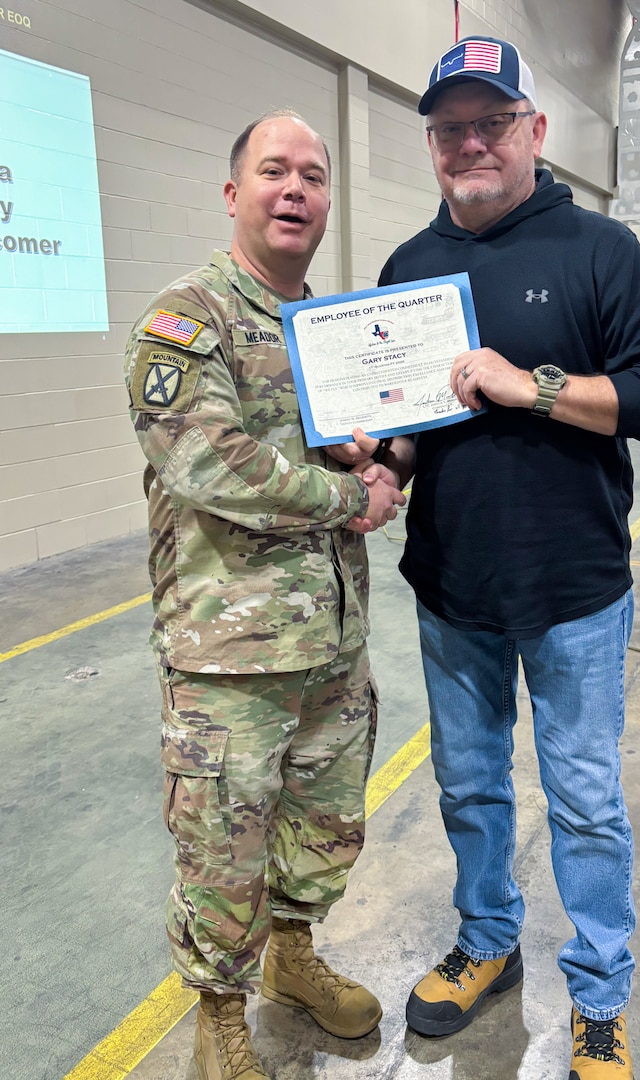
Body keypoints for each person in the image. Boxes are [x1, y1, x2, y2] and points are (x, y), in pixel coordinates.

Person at [338, 36, 640, 1079]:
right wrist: (386, 469)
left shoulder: (598, 249)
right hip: (453, 585)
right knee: (469, 787)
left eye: (492, 123)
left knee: (584, 802)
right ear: (431, 143)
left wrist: (532, 386)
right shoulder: (408, 268)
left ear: (535, 132)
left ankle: (599, 993)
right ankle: (490, 942)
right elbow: (415, 425)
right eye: (449, 128)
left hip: (573, 590)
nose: (470, 144)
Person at [124, 110, 405, 1080]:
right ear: (233, 192)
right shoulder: (187, 318)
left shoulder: (325, 330)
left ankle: (292, 957)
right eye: (275, 170)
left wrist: (380, 459)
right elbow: (211, 461)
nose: (296, 190)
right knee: (223, 845)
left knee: (321, 825)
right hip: (229, 658)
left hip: (331, 641)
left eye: (313, 176)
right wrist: (349, 497)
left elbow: (352, 443)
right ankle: (220, 1017)